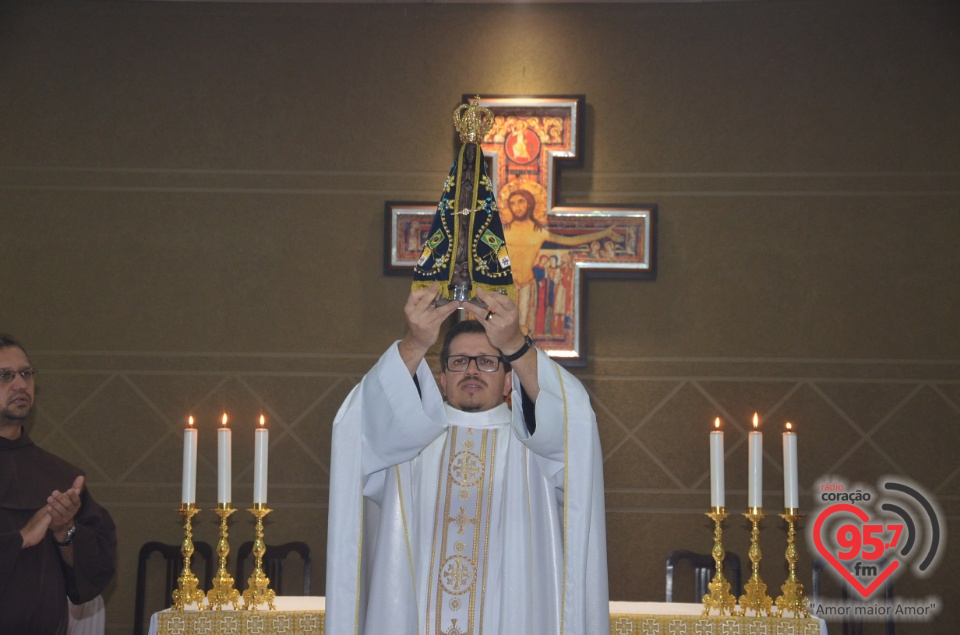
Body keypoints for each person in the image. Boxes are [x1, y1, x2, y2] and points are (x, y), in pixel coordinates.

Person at [326, 286, 609, 635]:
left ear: (509, 381)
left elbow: (578, 425)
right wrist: (414, 343)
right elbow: (355, 429)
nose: (471, 370)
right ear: (443, 380)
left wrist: (515, 345)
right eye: (459, 361)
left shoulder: (536, 446)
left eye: (488, 361)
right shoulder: (408, 443)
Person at [0, 334, 117, 635]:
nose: (21, 385)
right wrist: (20, 539)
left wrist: (65, 530)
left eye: (26, 374)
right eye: (5, 376)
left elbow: (93, 574)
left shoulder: (58, 475)